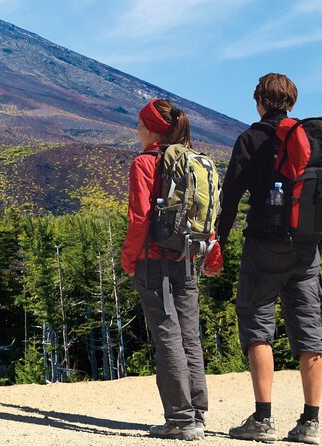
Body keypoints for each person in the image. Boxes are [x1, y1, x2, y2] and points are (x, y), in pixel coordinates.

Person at [210, 73, 322, 444]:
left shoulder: (251, 138)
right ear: (291, 100)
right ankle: (310, 423)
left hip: (264, 244)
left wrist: (218, 242)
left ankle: (263, 419)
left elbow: (230, 199)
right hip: (307, 245)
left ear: (260, 99)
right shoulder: (311, 136)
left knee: (257, 322)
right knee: (309, 329)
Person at [121, 98, 208, 441]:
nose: (137, 129)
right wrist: (210, 255)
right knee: (189, 334)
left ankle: (180, 420)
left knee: (167, 335)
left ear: (150, 128)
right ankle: (197, 415)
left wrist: (129, 258)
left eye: (140, 123)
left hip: (152, 260)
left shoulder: (144, 163)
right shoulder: (190, 161)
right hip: (185, 257)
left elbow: (140, 218)